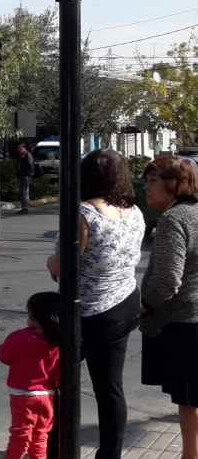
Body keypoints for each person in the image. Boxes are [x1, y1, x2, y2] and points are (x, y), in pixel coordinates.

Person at [46, 148, 144, 459]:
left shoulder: (84, 214)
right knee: (110, 387)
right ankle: (110, 454)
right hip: (125, 304)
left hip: (88, 313)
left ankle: (55, 450)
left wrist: (51, 262)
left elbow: (62, 266)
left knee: (56, 382)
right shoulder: (134, 212)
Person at [139, 156, 198, 459]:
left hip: (185, 321)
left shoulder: (174, 220)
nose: (145, 187)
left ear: (174, 186)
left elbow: (166, 280)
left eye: (152, 181)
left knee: (189, 399)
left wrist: (145, 306)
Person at [0, 291, 61, 459]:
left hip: (23, 395)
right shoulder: (57, 343)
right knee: (40, 435)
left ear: (33, 316)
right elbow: (60, 373)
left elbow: (4, 356)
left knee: (20, 434)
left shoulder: (19, 337)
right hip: (47, 395)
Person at [16, 142, 34, 214]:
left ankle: (25, 208)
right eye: (18, 149)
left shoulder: (27, 155)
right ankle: (25, 207)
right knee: (25, 192)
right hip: (24, 176)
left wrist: (25, 174)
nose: (19, 150)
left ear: (24, 148)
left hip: (26, 177)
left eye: (20, 148)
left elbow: (30, 166)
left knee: (24, 193)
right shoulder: (22, 156)